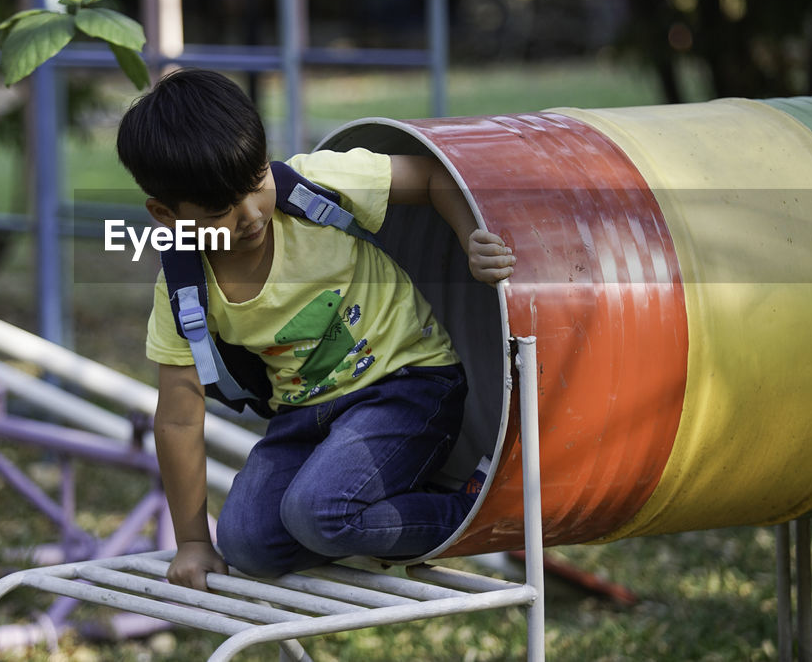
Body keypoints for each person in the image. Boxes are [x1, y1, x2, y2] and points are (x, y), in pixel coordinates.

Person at [115, 68, 515, 590]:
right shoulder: (186, 289)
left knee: (318, 512)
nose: (251, 214)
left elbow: (434, 174)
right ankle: (365, 520)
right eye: (221, 210)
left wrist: (471, 239)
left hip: (408, 383)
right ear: (166, 215)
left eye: (256, 182)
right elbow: (178, 421)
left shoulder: (312, 185)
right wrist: (193, 541)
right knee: (246, 545)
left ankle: (466, 509)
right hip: (305, 415)